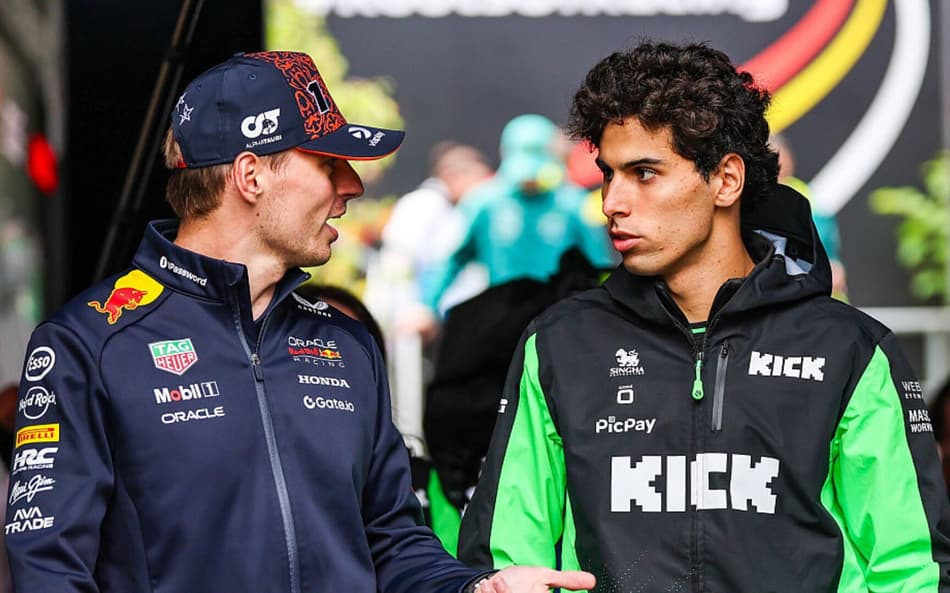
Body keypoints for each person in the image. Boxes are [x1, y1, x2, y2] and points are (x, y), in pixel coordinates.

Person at [3, 50, 595, 593]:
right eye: (328, 163)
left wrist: (475, 589)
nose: (351, 186)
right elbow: (50, 571)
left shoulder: (346, 342)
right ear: (251, 175)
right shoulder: (91, 343)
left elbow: (392, 543)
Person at [458, 41, 950, 592]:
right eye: (608, 174)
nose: (612, 202)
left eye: (644, 173)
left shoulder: (849, 349)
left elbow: (912, 571)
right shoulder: (560, 344)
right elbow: (505, 563)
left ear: (726, 180)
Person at [420, 114, 615, 321]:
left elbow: (600, 265)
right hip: (502, 318)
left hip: (561, 320)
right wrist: (426, 306)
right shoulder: (484, 203)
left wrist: (609, 312)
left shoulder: (572, 204)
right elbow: (452, 259)